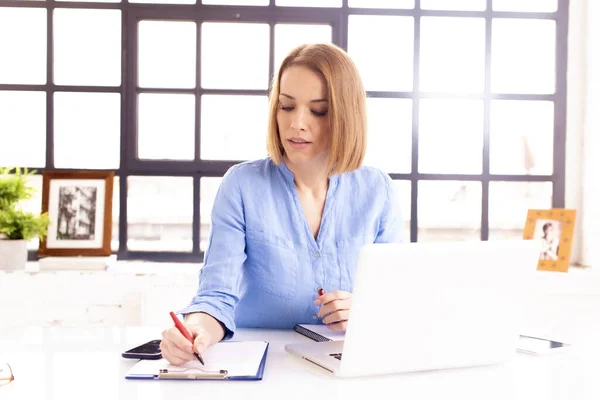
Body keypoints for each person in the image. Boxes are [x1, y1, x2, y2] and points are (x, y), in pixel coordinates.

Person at [160, 43, 404, 366]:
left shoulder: (378, 191)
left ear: (347, 116)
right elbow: (216, 297)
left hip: (348, 372)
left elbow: (395, 303)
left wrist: (363, 309)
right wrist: (193, 331)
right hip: (262, 369)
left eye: (318, 110)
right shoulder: (241, 186)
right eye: (286, 106)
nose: (297, 123)